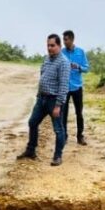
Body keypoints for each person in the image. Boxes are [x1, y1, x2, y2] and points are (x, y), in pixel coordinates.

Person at [17, 34, 70, 166]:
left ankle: (58, 156)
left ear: (59, 46)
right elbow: (42, 76)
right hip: (42, 99)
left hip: (54, 101)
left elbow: (64, 86)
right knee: (32, 122)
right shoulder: (46, 59)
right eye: (48, 45)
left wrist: (58, 105)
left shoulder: (63, 63)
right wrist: (38, 95)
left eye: (52, 45)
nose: (49, 48)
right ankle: (31, 150)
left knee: (58, 129)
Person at [60, 30, 90, 145]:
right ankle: (64, 136)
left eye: (66, 39)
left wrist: (78, 67)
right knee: (64, 113)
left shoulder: (80, 52)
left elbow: (87, 68)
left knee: (79, 113)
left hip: (77, 87)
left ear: (72, 40)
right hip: (64, 88)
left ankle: (80, 136)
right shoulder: (61, 52)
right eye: (63, 39)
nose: (64, 42)